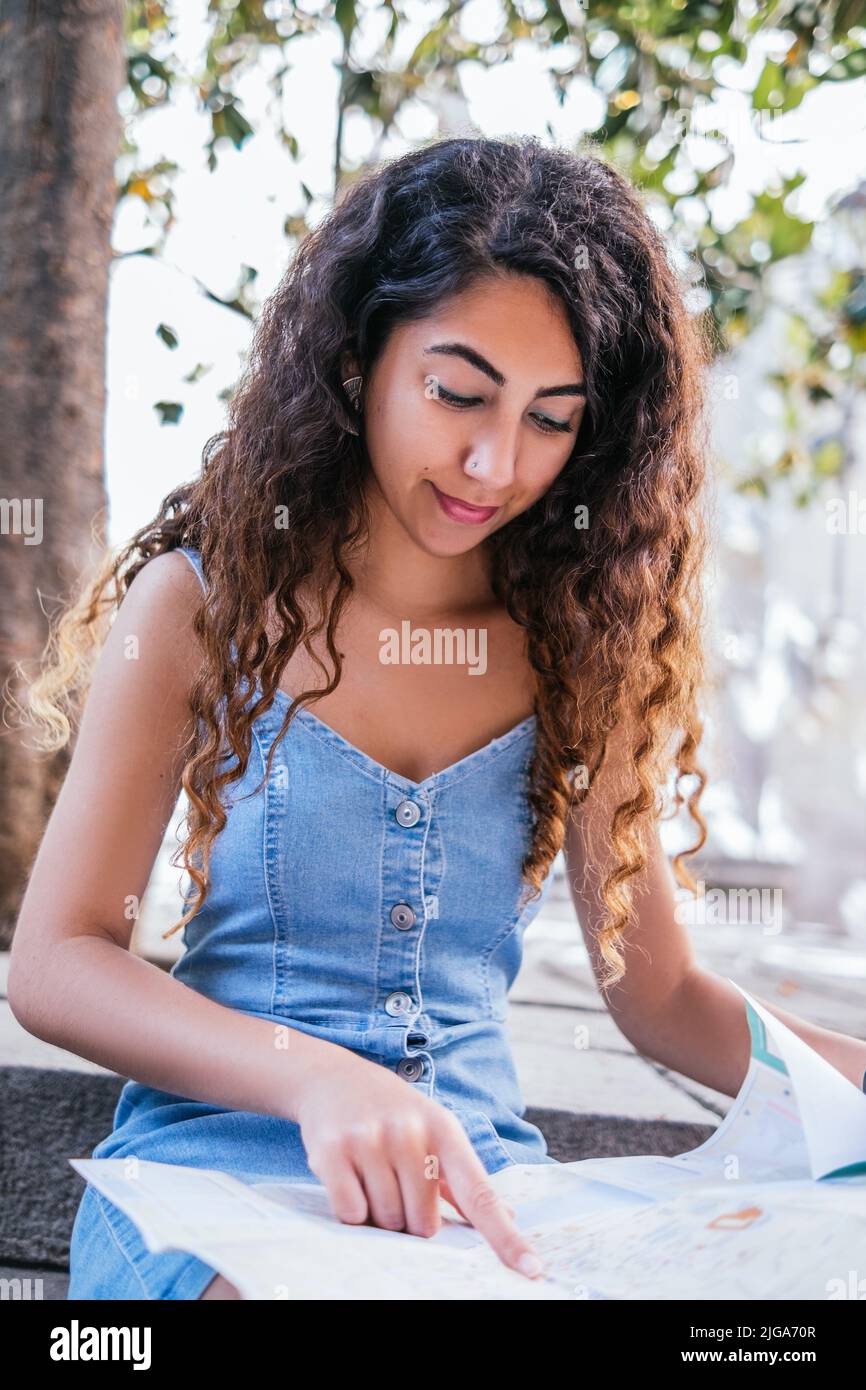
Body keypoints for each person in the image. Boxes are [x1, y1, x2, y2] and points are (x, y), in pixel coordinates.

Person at [9, 135, 866, 1301]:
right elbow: (57, 960)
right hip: (210, 1182)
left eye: (549, 419)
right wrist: (314, 1077)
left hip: (478, 1201)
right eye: (456, 391)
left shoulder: (579, 649)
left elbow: (659, 995)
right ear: (360, 357)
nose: (491, 460)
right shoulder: (202, 607)